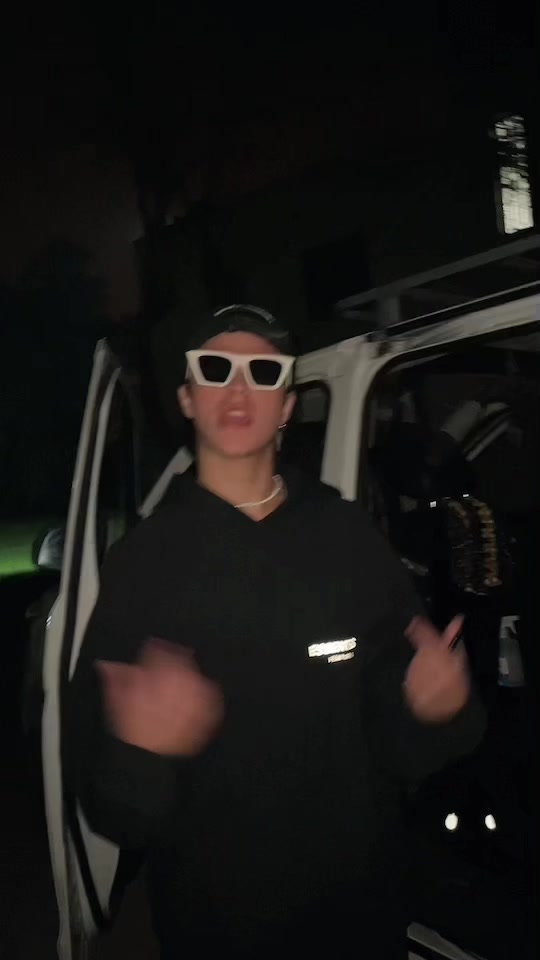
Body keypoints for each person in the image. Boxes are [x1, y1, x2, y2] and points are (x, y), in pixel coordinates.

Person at [64, 304, 486, 959]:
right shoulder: (142, 565)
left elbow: (403, 743)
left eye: (263, 373)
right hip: (218, 926)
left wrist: (438, 709)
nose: (238, 389)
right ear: (187, 397)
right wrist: (140, 754)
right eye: (215, 369)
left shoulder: (346, 537)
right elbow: (109, 808)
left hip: (359, 909)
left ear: (286, 406)